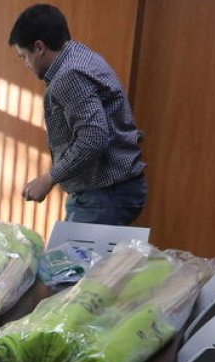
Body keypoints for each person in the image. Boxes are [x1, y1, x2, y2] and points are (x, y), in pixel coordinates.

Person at [9, 4, 147, 225]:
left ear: (39, 47)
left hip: (105, 195)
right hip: (110, 191)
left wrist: (47, 179)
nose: (25, 64)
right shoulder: (78, 55)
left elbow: (93, 137)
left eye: (23, 56)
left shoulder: (69, 75)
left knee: (71, 260)